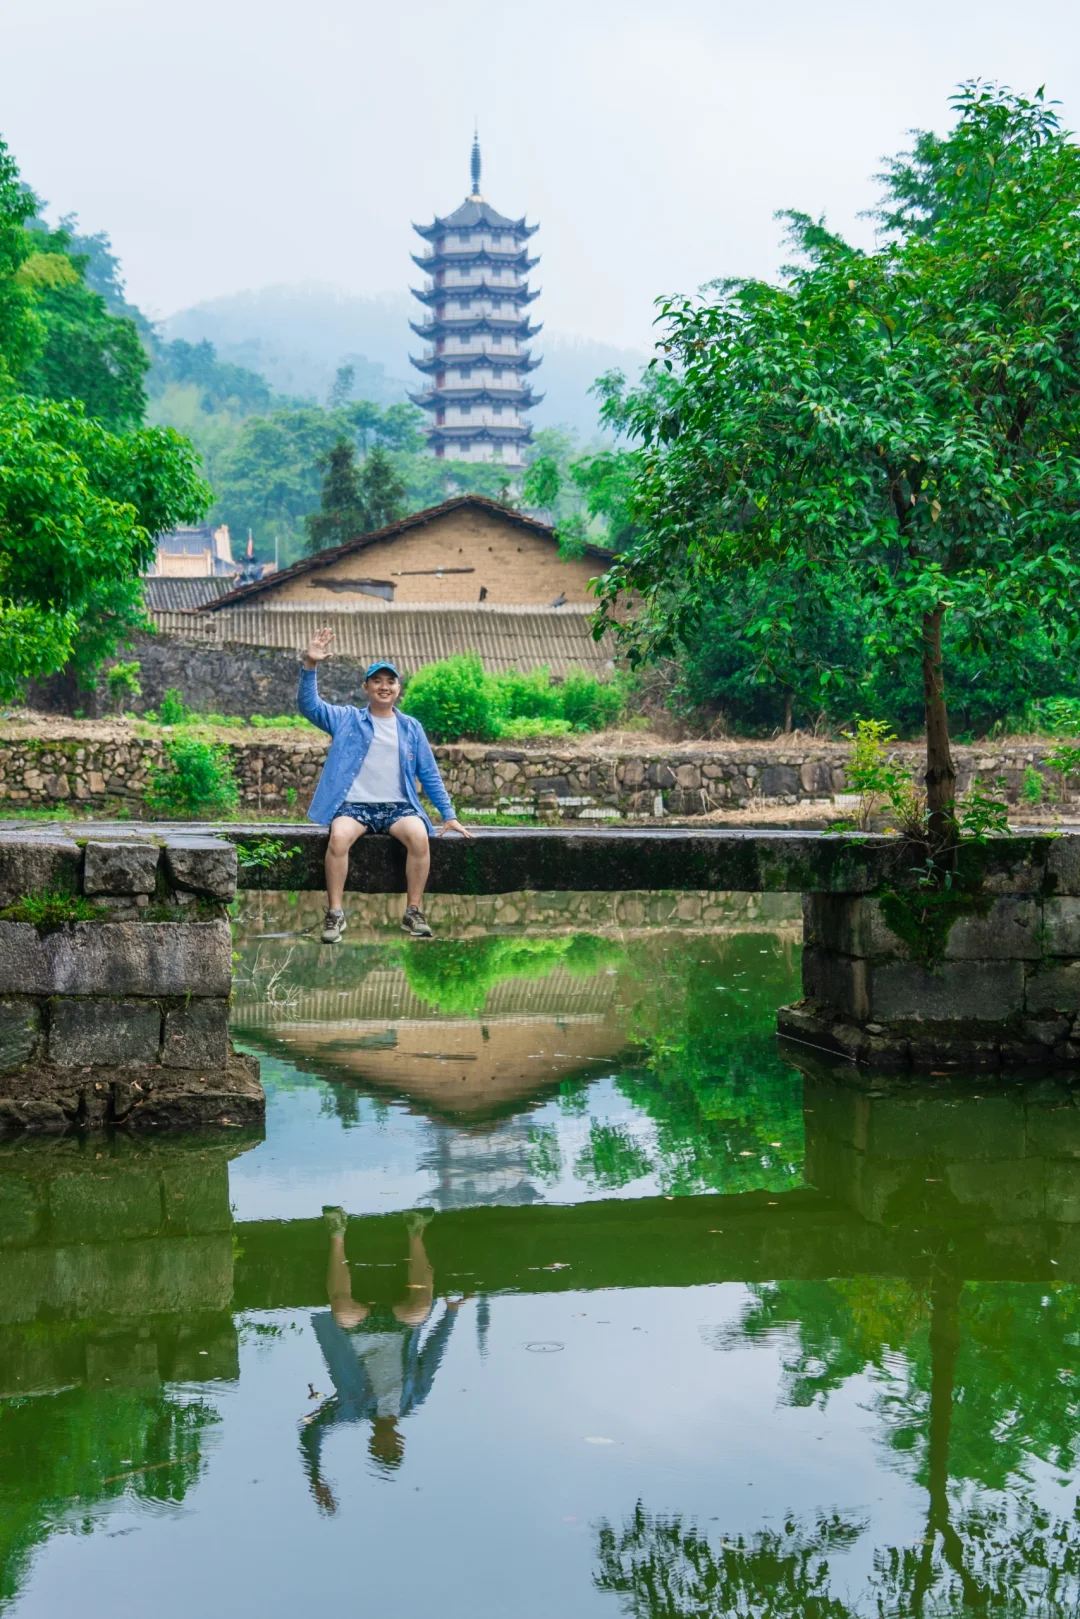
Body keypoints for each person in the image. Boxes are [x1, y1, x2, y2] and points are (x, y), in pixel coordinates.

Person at [298, 626, 472, 942]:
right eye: (377, 681)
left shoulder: (410, 727)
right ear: (366, 687)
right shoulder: (346, 719)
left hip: (398, 808)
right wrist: (310, 665)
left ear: (398, 688)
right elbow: (309, 706)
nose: (384, 686)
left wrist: (449, 815)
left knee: (420, 836)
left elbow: (429, 774)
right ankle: (335, 913)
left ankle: (413, 911)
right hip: (354, 808)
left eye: (390, 681)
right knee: (338, 839)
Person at [299, 1207, 464, 1506]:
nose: (387, 1444)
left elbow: (311, 1430)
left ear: (371, 1445)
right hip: (400, 1329)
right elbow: (432, 1357)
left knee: (342, 1311)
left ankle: (337, 1232)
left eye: (381, 1450)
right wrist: (450, 1316)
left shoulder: (350, 1410)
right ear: (401, 1443)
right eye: (393, 1450)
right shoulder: (413, 1399)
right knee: (420, 1308)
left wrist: (315, 1476)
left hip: (357, 1331)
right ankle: (416, 1231)